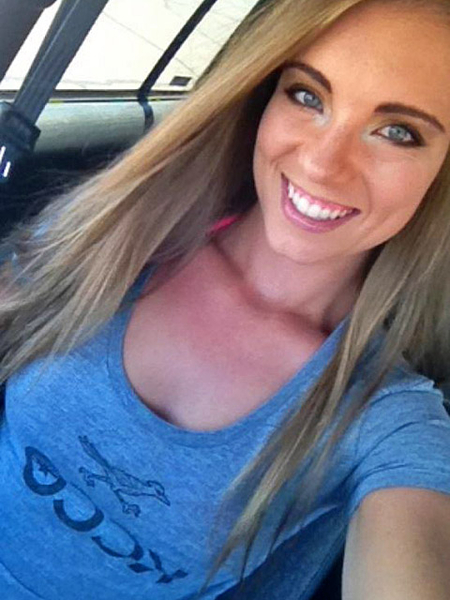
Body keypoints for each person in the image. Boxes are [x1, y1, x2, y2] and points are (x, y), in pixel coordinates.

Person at [1, 0, 450, 598]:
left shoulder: (386, 419)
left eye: (398, 132)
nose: (321, 164)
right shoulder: (119, 237)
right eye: (308, 96)